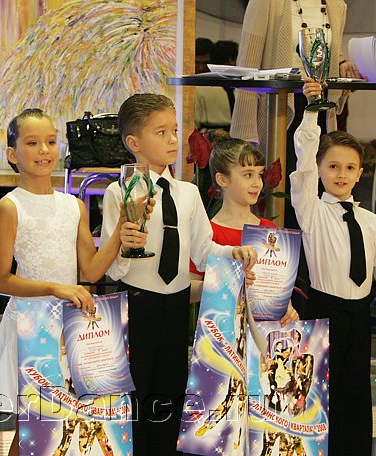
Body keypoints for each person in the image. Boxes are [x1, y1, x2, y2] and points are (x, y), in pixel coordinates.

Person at [99, 93, 258, 455]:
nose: (173, 140)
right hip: (136, 304)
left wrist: (232, 253)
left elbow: (202, 250)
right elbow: (112, 265)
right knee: (135, 393)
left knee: (171, 391)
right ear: (134, 142)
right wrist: (123, 244)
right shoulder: (118, 192)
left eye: (174, 131)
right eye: (161, 132)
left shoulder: (187, 193)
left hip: (176, 306)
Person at [0, 108, 144, 456]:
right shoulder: (10, 206)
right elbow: (1, 279)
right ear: (12, 153)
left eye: (50, 141)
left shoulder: (74, 206)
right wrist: (55, 288)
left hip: (70, 325)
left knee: (69, 422)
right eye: (32, 143)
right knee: (32, 422)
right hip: (31, 324)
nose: (44, 150)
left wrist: (120, 230)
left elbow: (91, 271)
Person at [291, 79, 376, 455]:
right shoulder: (311, 211)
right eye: (333, 166)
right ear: (319, 169)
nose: (341, 174)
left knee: (354, 404)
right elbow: (303, 159)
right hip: (322, 315)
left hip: (358, 318)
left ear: (360, 172)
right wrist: (312, 111)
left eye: (350, 167)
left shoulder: (372, 222)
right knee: (318, 403)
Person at [230, 0, 362, 230]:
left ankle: (315, 250)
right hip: (279, 109)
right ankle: (282, 250)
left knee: (319, 189)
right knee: (284, 191)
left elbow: (329, 51)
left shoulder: (337, 6)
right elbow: (247, 64)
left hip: (319, 106)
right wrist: (245, 134)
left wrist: (342, 62)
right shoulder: (267, 3)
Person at [188, 138, 299, 326]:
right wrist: (225, 282)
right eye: (248, 175)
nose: (257, 183)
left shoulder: (269, 230)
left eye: (259, 174)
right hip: (221, 331)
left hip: (264, 331)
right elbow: (189, 289)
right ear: (222, 179)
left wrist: (287, 309)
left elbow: (277, 287)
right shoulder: (207, 232)